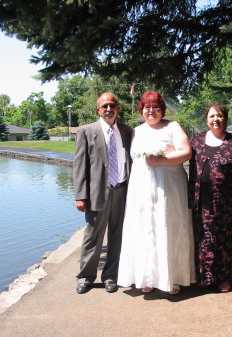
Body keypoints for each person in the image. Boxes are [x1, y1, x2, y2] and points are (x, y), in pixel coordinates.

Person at [117, 91, 196, 295]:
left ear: (162, 110)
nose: (151, 111)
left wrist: (161, 160)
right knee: (145, 229)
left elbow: (186, 152)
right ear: (141, 109)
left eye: (155, 107)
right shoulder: (136, 131)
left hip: (169, 188)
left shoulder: (173, 127)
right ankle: (147, 276)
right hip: (142, 190)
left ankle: (174, 277)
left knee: (169, 227)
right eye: (147, 107)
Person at [188, 102, 232, 293]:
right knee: (203, 240)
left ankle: (223, 278)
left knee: (224, 241)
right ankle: (204, 278)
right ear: (206, 120)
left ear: (225, 119)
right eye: (212, 116)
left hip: (225, 205)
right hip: (200, 203)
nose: (216, 119)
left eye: (220, 116)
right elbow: (178, 156)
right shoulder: (196, 141)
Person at [73, 92, 133, 294]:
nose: (109, 109)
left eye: (112, 105)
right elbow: (80, 165)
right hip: (97, 194)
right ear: (98, 109)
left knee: (117, 237)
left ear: (117, 108)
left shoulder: (127, 131)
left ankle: (110, 276)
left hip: (122, 191)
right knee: (92, 237)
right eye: (105, 106)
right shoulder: (86, 131)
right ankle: (85, 277)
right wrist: (80, 195)